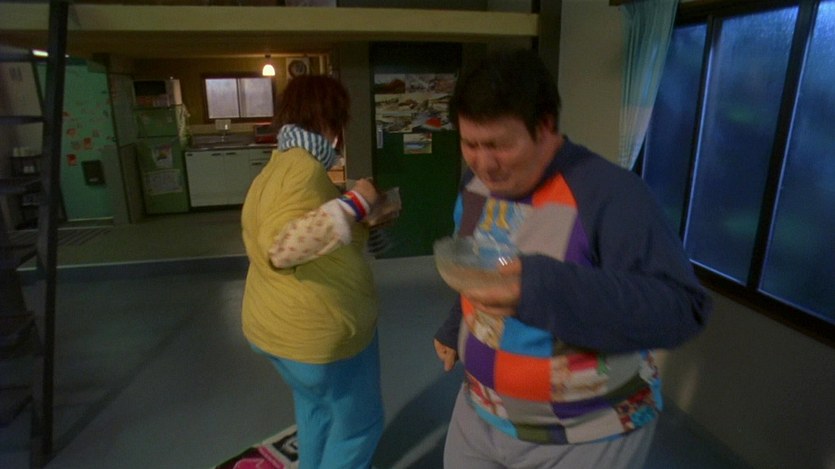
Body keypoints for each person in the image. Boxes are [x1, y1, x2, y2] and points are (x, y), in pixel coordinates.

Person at [433, 49, 712, 469]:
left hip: (587, 434)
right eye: (470, 144)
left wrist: (540, 287)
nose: (484, 164)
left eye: (499, 145)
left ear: (545, 126)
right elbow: (478, 265)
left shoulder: (612, 195)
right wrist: (455, 323)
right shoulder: (474, 183)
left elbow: (681, 309)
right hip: (481, 411)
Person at [241, 74, 385, 469]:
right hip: (319, 336)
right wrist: (357, 202)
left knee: (317, 410)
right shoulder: (302, 170)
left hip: (277, 330)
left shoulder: (277, 167)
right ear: (329, 122)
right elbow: (282, 247)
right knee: (359, 426)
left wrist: (363, 220)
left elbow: (311, 232)